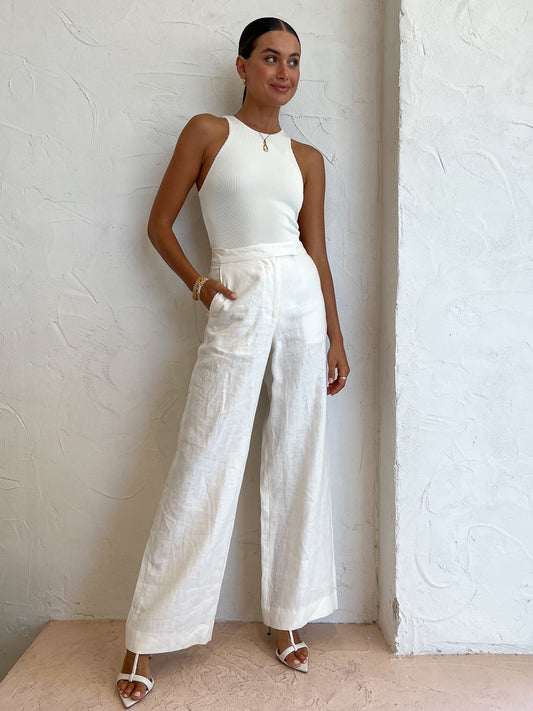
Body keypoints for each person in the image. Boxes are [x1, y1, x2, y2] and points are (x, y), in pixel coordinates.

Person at [116, 16, 349, 707]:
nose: (284, 72)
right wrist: (201, 285)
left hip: (301, 302)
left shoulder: (308, 158)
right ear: (243, 65)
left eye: (294, 61)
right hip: (238, 295)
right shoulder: (207, 132)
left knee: (297, 454)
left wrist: (335, 336)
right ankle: (147, 634)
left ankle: (289, 615)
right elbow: (158, 225)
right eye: (271, 58)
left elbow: (315, 252)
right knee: (205, 455)